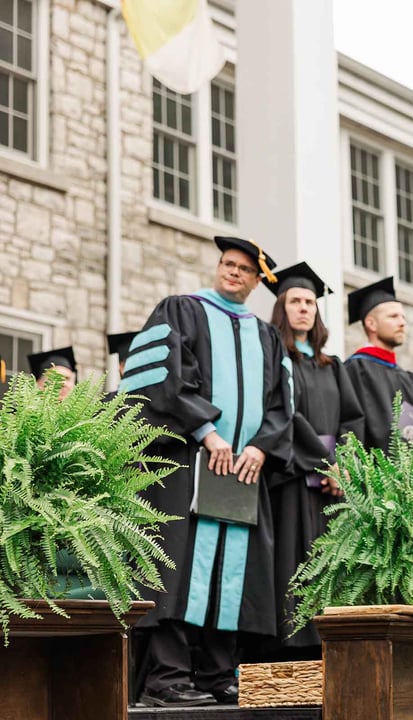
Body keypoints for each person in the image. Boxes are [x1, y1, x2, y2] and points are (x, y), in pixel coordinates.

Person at [119, 236, 292, 708]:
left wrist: (260, 448)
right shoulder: (183, 311)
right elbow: (167, 377)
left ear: (258, 281)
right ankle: (166, 678)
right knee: (178, 568)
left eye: (242, 269)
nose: (232, 272)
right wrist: (207, 432)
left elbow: (282, 405)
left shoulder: (266, 335)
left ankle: (218, 674)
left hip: (242, 471)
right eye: (226, 264)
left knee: (233, 573)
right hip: (191, 463)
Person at [262, 261, 364, 658]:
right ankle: (292, 654)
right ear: (282, 309)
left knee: (332, 563)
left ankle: (329, 646)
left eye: (310, 302)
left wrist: (343, 465)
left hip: (331, 484)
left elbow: (353, 419)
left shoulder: (332, 365)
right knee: (293, 565)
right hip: (291, 478)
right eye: (295, 301)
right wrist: (325, 462)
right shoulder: (277, 361)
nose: (304, 308)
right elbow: (286, 414)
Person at [343, 277, 413, 452]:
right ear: (371, 323)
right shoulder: (353, 370)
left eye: (403, 317)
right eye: (393, 316)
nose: (402, 323)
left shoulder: (410, 379)